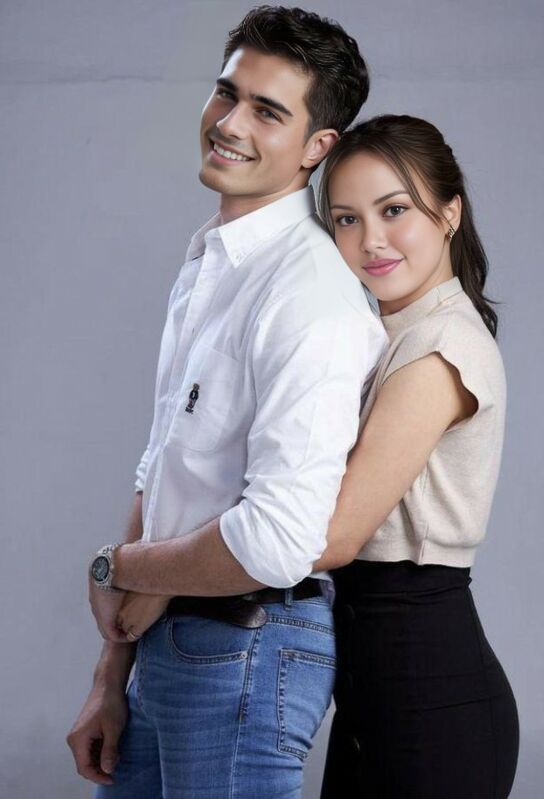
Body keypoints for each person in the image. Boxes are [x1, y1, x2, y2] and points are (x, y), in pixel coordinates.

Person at [66, 7, 387, 798]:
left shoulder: (309, 294)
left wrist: (117, 565)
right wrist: (111, 670)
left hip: (248, 641)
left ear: (318, 146)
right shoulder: (215, 260)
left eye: (267, 111)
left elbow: (278, 539)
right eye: (226, 93)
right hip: (172, 640)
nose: (230, 123)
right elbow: (164, 470)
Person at [310, 114, 520, 797]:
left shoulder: (439, 347)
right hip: (376, 698)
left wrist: (159, 572)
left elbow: (333, 536)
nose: (370, 239)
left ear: (449, 212)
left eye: (394, 210)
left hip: (433, 703)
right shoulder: (380, 338)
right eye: (346, 219)